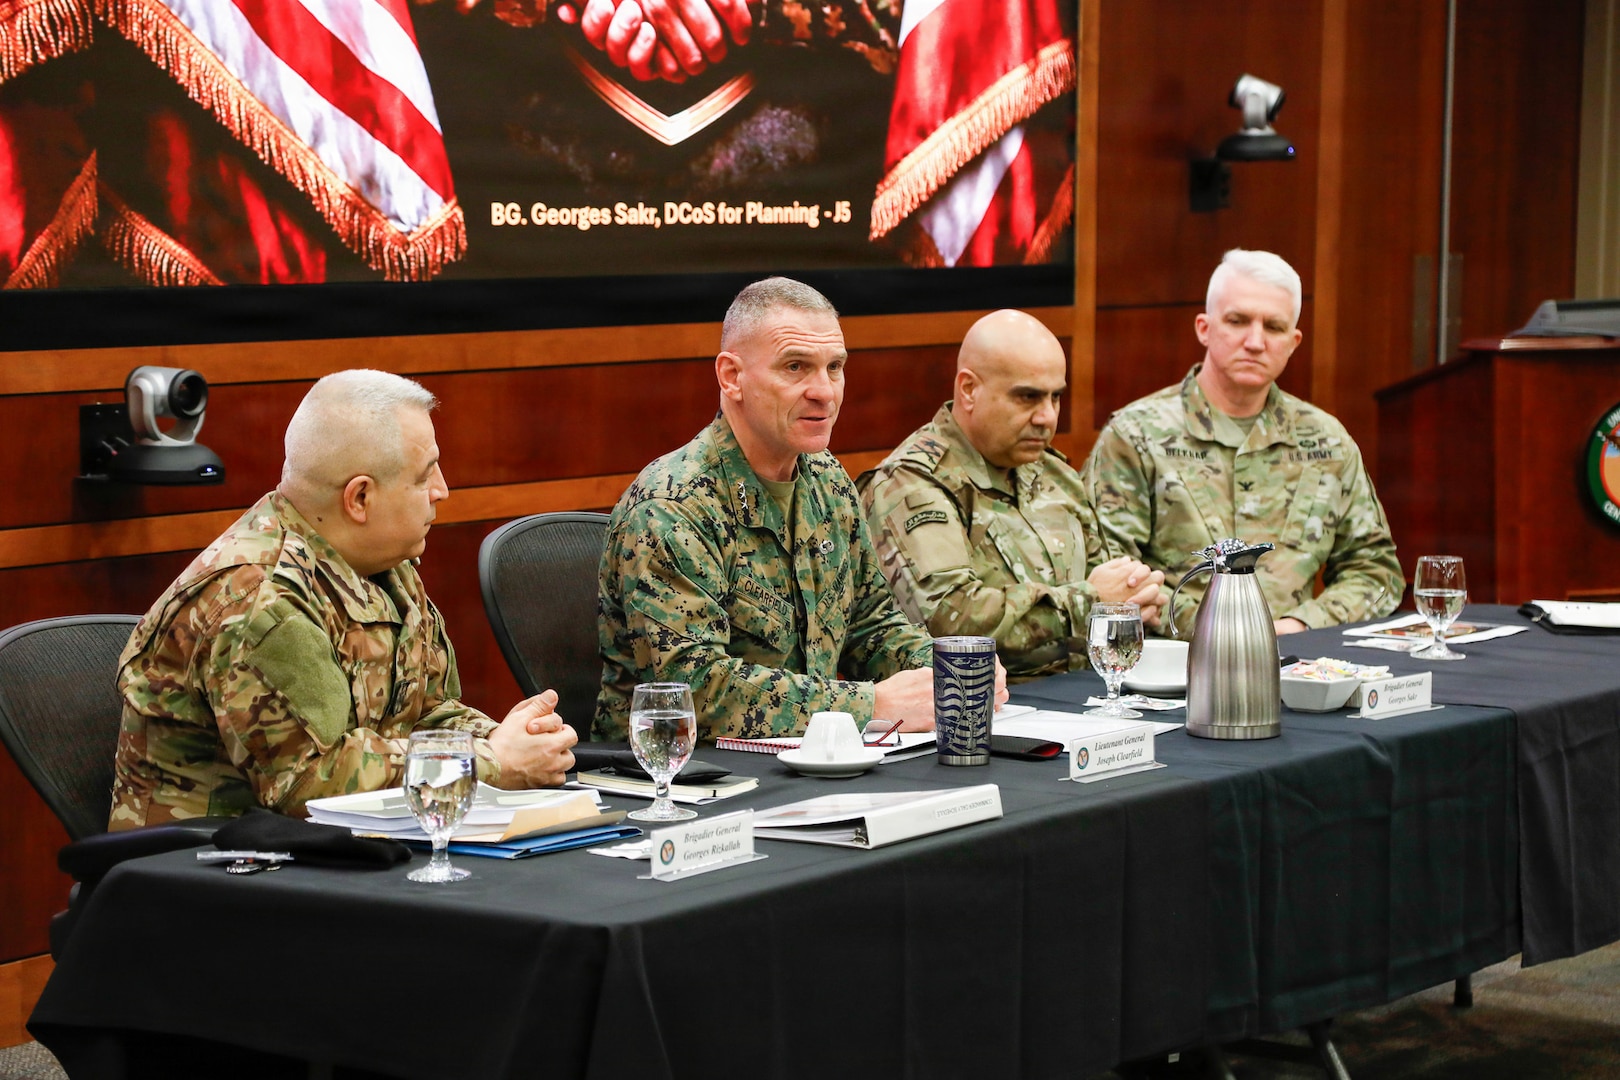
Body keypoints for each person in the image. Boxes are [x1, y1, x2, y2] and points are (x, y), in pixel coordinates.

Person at [108, 370, 577, 830]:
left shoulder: (382, 564)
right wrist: (490, 763)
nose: (442, 490)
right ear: (359, 498)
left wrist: (505, 739)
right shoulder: (258, 599)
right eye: (424, 475)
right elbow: (308, 783)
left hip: (341, 854)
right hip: (207, 874)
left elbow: (427, 712)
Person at [596, 277, 1006, 741]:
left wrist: (950, 669)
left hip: (816, 759)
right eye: (796, 367)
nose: (824, 392)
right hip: (681, 779)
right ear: (732, 377)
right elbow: (694, 691)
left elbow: (870, 625)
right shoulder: (672, 507)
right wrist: (873, 705)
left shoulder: (826, 479)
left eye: (835, 367)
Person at [1083, 249, 1403, 637]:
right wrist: (1218, 629)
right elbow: (1107, 572)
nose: (1255, 341)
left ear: (1294, 341)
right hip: (1173, 671)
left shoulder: (1327, 441)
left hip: (1298, 663)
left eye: (1274, 327)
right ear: (1204, 327)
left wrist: (1301, 625)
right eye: (1238, 321)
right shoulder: (1135, 435)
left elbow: (1375, 571)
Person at [857, 309, 1163, 679]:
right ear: (969, 389)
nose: (1047, 417)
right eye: (1028, 398)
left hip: (1084, 698)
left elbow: (1106, 581)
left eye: (1055, 398)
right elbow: (949, 625)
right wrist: (1089, 603)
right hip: (984, 709)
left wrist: (1134, 598)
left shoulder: (1055, 473)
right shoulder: (912, 483)